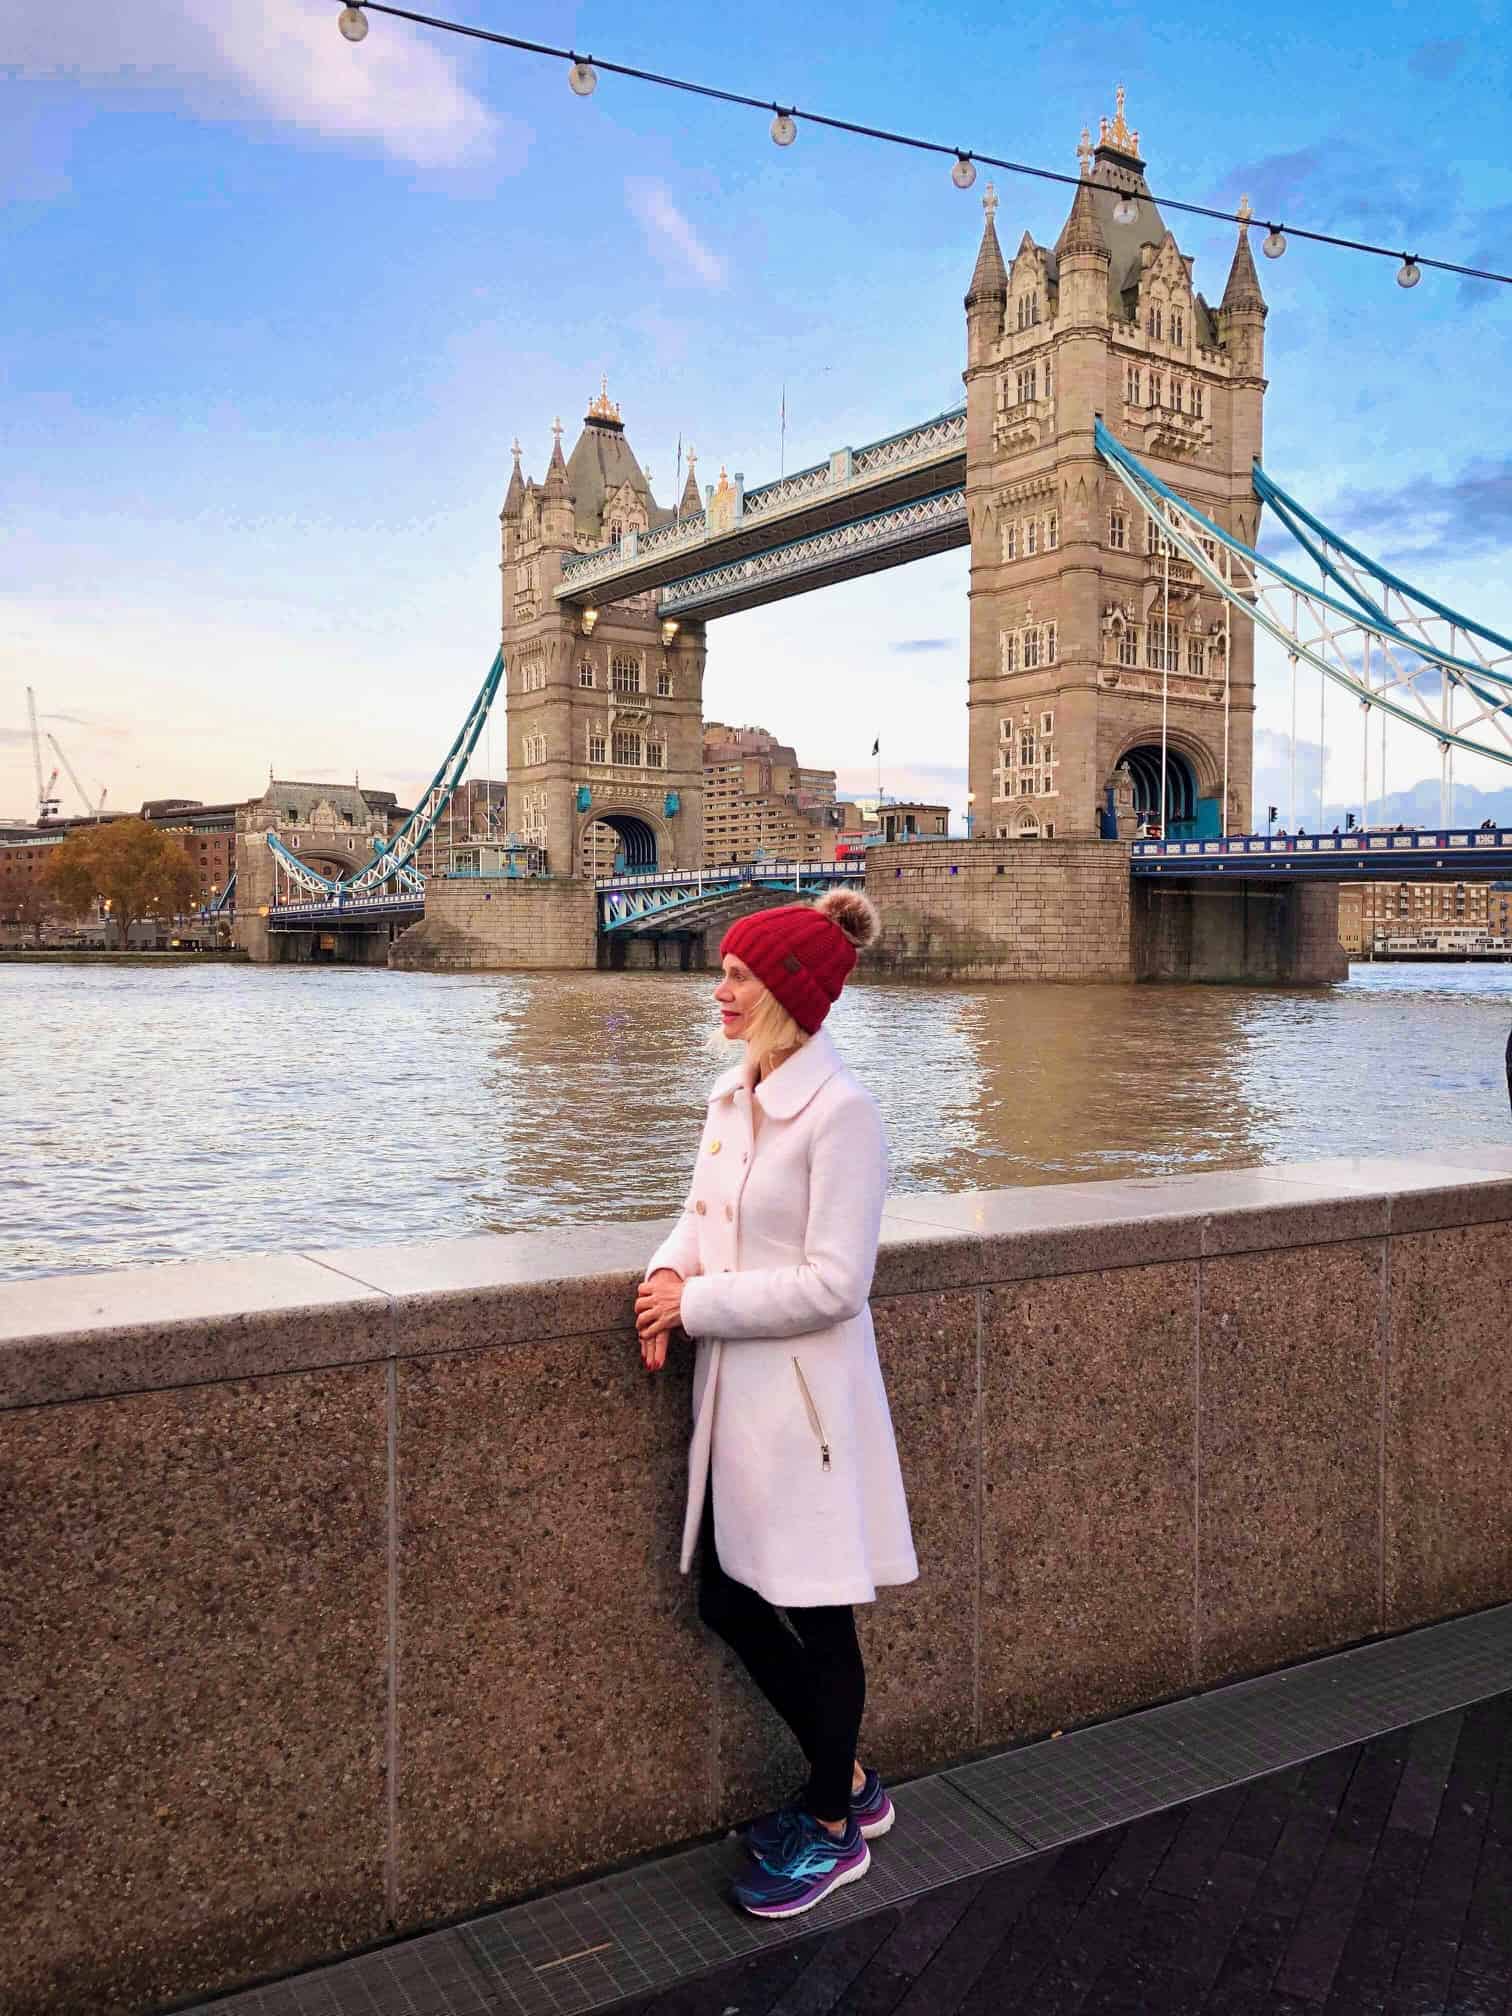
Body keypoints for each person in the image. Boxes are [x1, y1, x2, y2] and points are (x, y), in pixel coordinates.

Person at [634, 888, 917, 1921]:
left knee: (814, 1611)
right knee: (725, 1595)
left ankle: (835, 1828)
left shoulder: (842, 1116)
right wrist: (663, 1282)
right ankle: (847, 1785)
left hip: (803, 1415)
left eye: (737, 976)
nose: (718, 990)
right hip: (733, 1395)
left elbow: (837, 1284)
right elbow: (699, 1213)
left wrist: (696, 1303)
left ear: (787, 994)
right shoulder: (731, 1092)